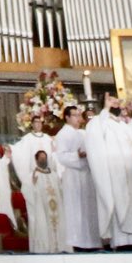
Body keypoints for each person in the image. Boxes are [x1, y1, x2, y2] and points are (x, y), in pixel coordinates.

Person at [85, 96, 132, 249]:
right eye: (112, 102)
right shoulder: (100, 121)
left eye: (118, 102)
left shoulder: (121, 124)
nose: (116, 104)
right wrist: (105, 109)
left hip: (129, 170)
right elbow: (94, 135)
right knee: (119, 202)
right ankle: (122, 241)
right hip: (115, 171)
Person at [52, 104, 101, 251]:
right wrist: (77, 155)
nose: (78, 118)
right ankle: (79, 243)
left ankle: (92, 241)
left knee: (89, 209)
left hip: (87, 175)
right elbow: (61, 157)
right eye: (75, 115)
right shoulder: (63, 134)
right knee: (76, 211)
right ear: (67, 117)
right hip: (73, 176)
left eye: (79, 115)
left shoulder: (83, 133)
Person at [21, 147, 65, 253]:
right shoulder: (32, 175)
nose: (43, 160)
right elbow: (26, 191)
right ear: (36, 160)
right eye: (41, 158)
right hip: (42, 210)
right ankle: (45, 249)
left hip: (56, 209)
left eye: (45, 158)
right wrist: (33, 184)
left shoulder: (54, 174)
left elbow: (61, 190)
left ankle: (61, 247)